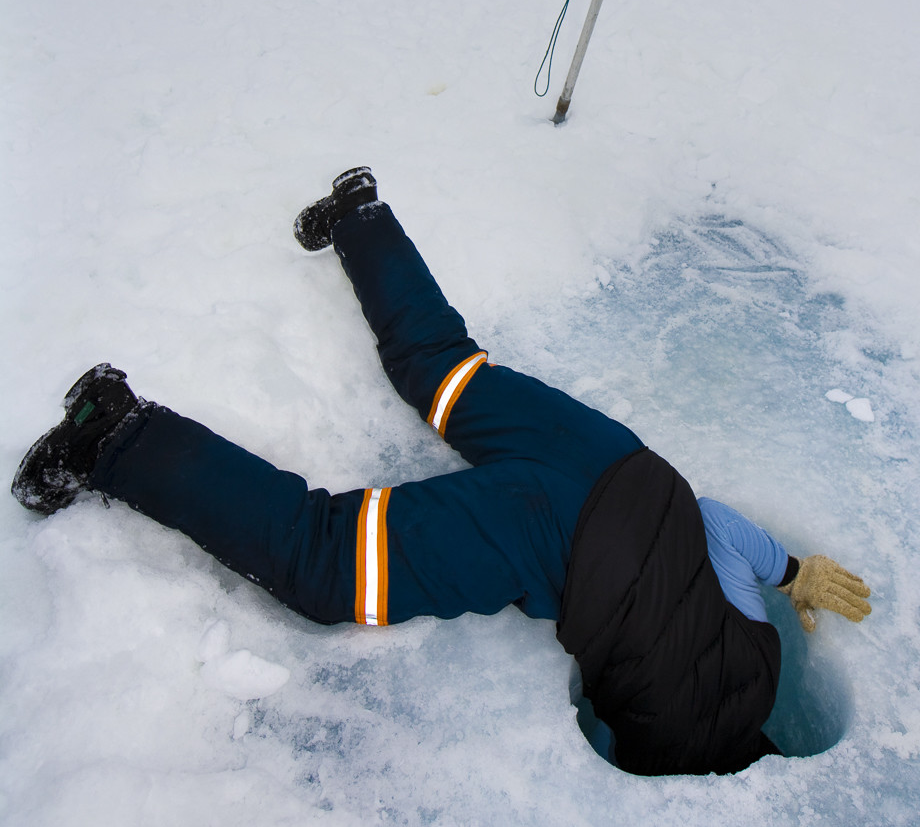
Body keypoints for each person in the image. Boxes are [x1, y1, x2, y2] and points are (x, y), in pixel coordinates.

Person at [11, 168, 871, 776]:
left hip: (616, 459)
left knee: (443, 367)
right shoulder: (667, 749)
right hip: (545, 530)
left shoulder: (756, 657)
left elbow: (713, 521)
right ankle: (112, 437)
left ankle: (357, 215)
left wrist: (788, 573)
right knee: (322, 563)